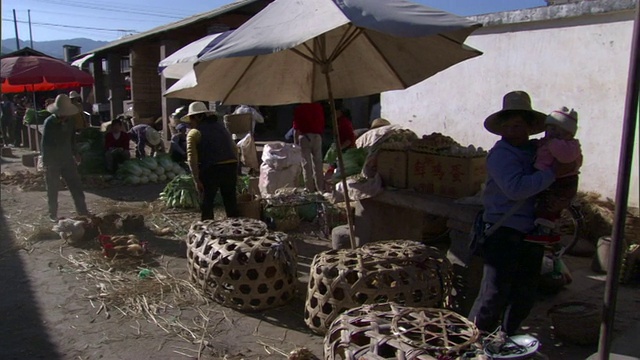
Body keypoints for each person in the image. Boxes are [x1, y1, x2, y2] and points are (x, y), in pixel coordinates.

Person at [468, 91, 574, 337]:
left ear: (529, 127)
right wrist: (552, 174)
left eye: (521, 125)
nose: (516, 130)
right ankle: (472, 341)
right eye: (510, 125)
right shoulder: (501, 154)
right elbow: (516, 190)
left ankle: (506, 338)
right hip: (503, 231)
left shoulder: (536, 149)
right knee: (494, 294)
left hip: (532, 232)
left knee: (524, 294)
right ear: (502, 128)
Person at [528, 107, 583, 242]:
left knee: (548, 207)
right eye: (550, 128)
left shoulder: (568, 145)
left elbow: (565, 158)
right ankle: (547, 230)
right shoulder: (553, 142)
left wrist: (552, 143)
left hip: (562, 183)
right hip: (552, 179)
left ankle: (544, 232)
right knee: (542, 205)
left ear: (568, 133)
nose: (551, 132)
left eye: (556, 129)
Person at [183, 101, 239, 220]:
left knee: (207, 202)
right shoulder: (221, 128)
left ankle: (207, 230)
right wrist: (236, 169)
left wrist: (196, 179)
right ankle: (235, 229)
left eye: (191, 120)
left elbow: (192, 158)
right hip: (230, 166)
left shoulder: (194, 133)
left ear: (197, 117)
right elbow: (234, 148)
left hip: (211, 169)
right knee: (230, 201)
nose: (190, 123)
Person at [41, 94, 90, 222]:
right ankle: (53, 214)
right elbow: (45, 144)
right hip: (53, 161)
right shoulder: (49, 123)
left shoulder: (71, 121)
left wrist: (76, 153)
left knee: (76, 186)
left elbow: (72, 139)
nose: (64, 116)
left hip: (67, 158)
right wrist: (46, 162)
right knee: (52, 188)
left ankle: (83, 211)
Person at [293, 102, 325, 192]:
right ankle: (320, 188)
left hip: (305, 137)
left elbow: (296, 127)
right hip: (317, 136)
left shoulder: (300, 109)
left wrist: (295, 143)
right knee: (318, 163)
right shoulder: (318, 107)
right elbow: (322, 122)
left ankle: (309, 189)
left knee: (306, 164)